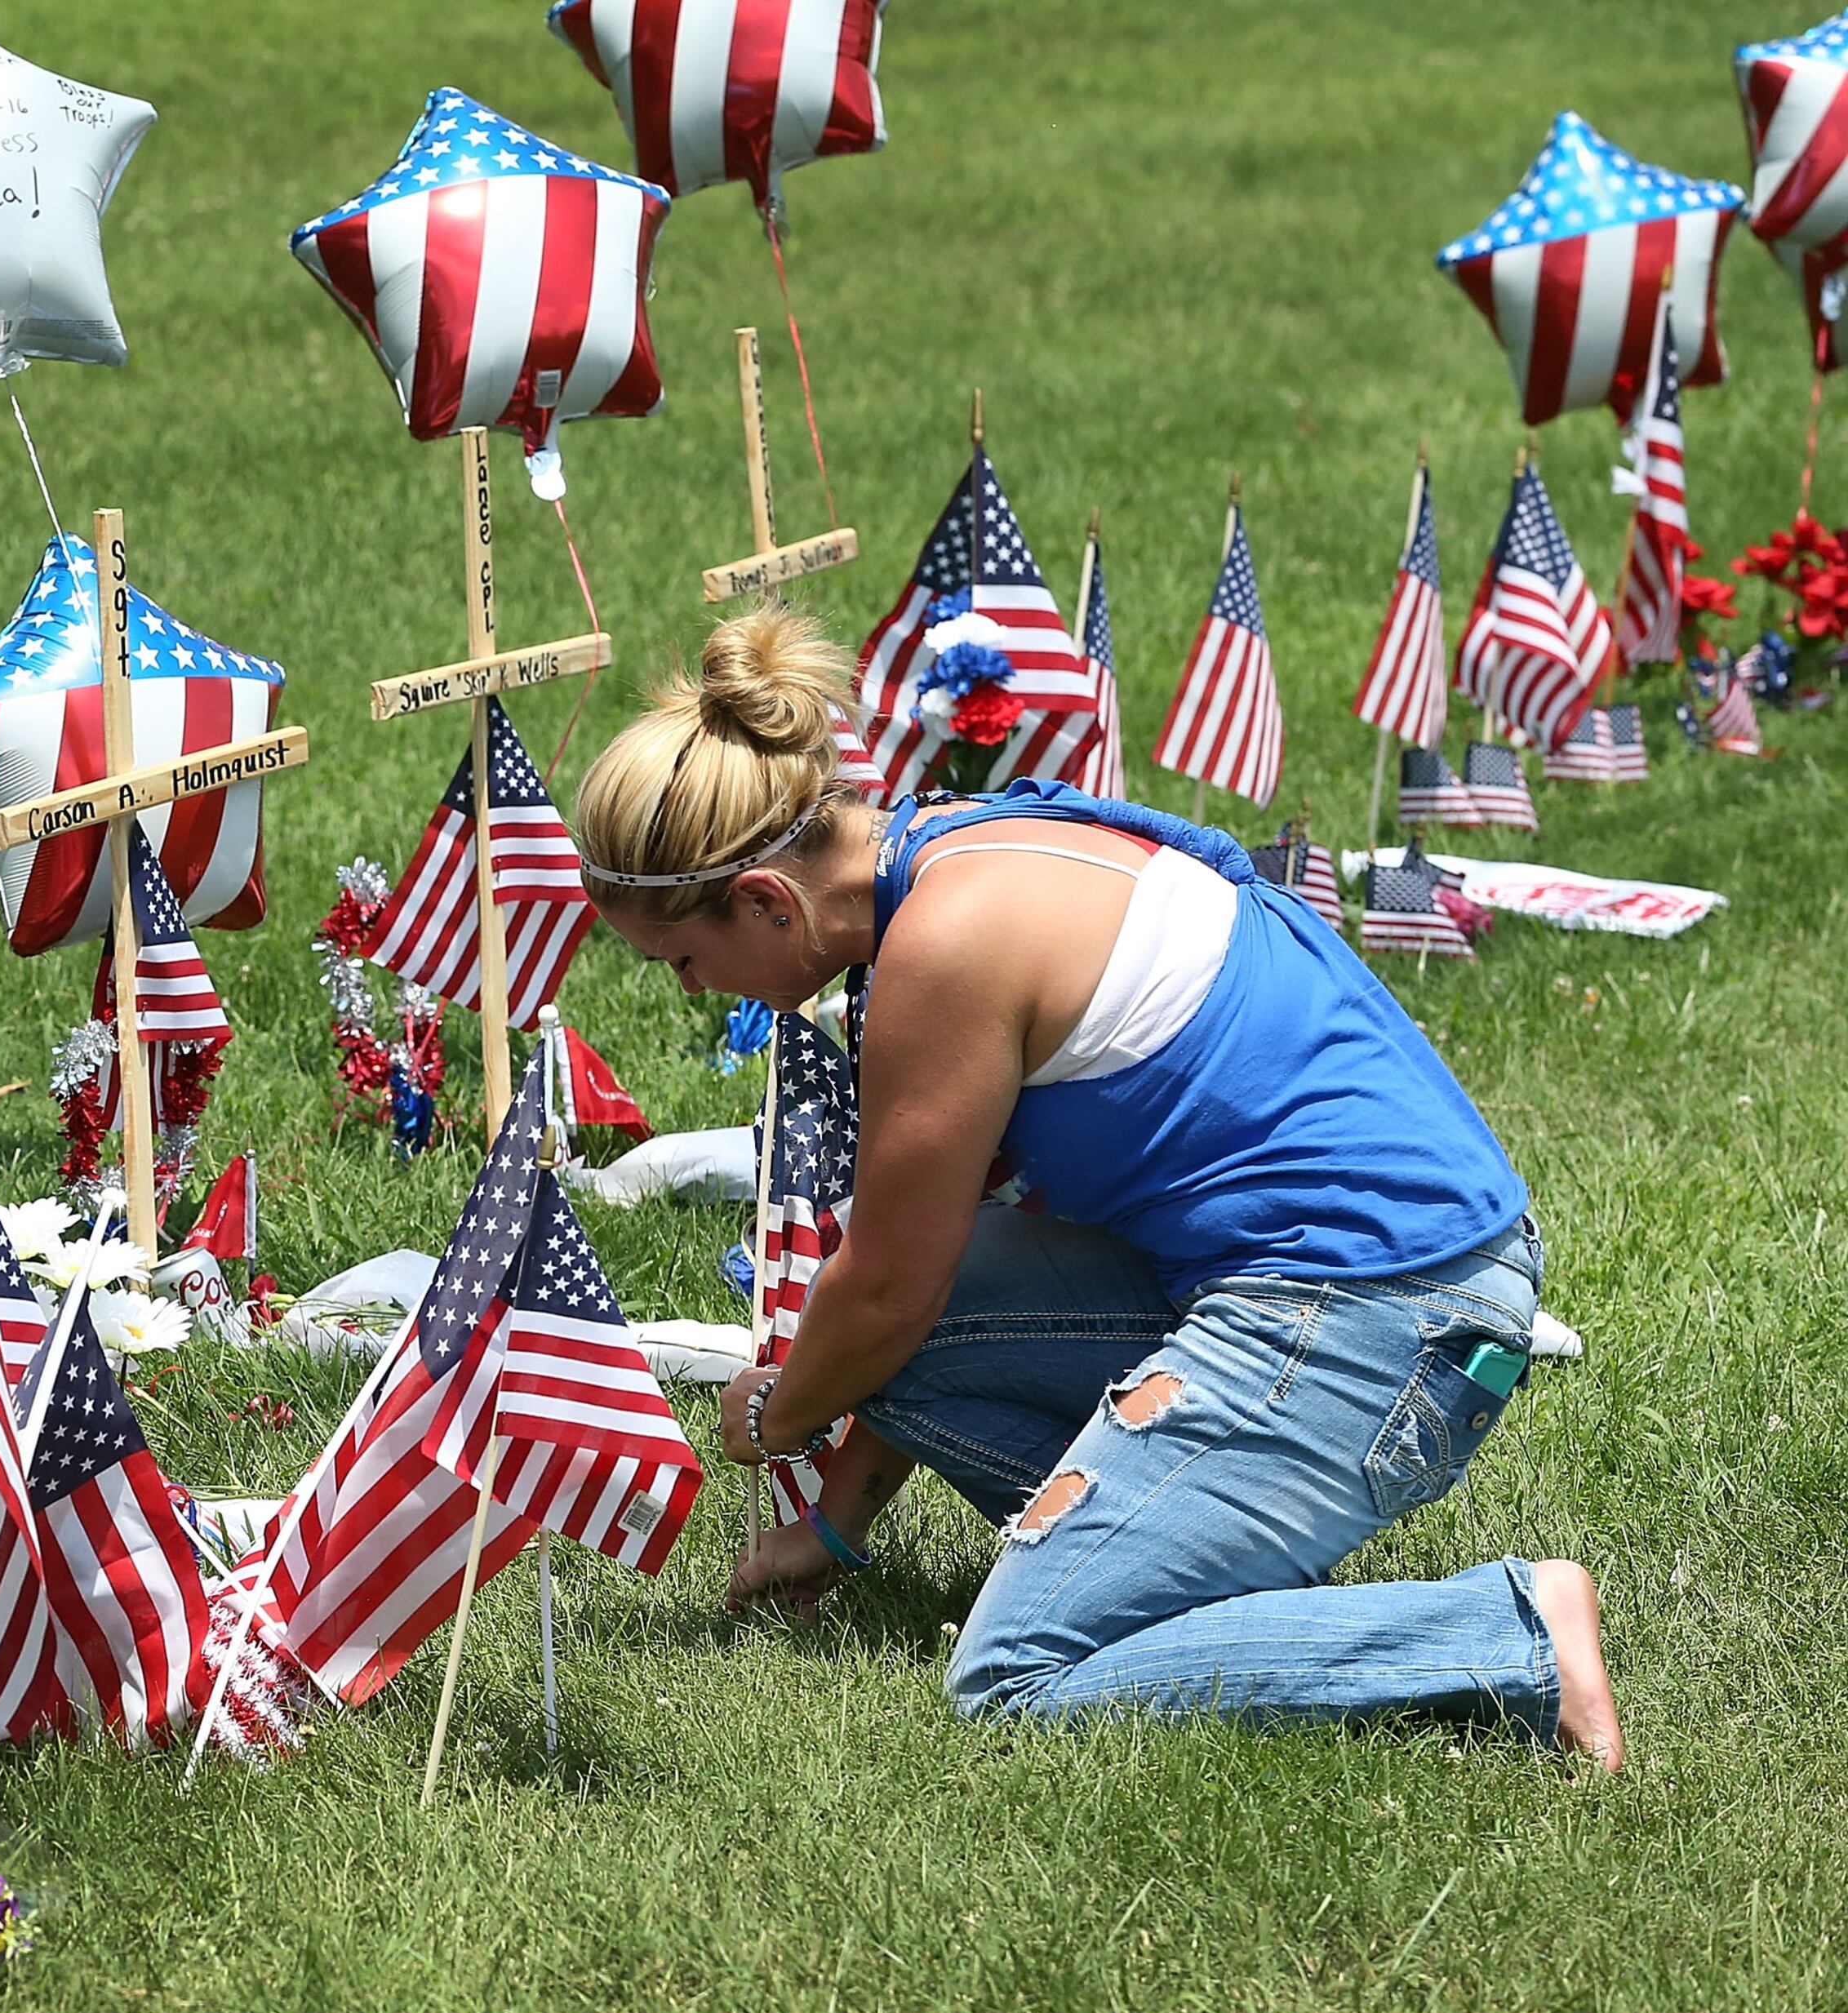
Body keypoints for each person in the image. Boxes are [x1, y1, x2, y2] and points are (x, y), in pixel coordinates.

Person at [569, 604, 1623, 1770]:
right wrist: (835, 1522)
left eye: (683, 962)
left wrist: (777, 1417)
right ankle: (1172, 1549)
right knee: (906, 1291)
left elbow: (887, 1299)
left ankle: (1507, 1636)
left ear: (767, 902)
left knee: (1013, 1679)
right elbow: (914, 1290)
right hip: (1361, 1278)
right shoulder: (964, 844)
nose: (690, 992)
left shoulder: (945, 950)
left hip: (1382, 1311)